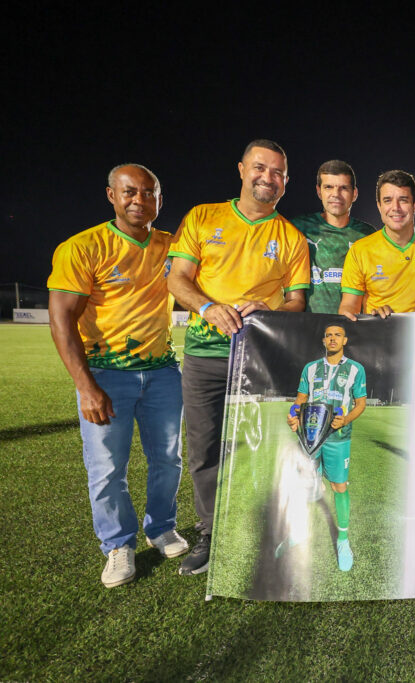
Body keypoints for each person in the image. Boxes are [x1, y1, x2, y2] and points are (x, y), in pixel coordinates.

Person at [167, 139, 311, 575]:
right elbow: (177, 279)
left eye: (278, 172)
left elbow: (297, 302)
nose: (268, 177)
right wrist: (208, 306)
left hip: (261, 358)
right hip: (204, 354)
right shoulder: (202, 217)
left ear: (286, 181)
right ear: (242, 169)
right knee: (205, 448)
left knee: (264, 447)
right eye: (260, 167)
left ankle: (262, 529)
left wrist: (271, 310)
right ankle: (212, 532)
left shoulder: (291, 237)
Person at [47, 164, 187, 588]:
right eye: (129, 192)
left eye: (149, 192)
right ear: (111, 195)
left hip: (163, 372)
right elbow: (61, 320)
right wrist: (86, 386)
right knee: (107, 468)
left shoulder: (172, 246)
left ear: (159, 199)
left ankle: (161, 528)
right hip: (106, 375)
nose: (139, 200)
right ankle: (118, 544)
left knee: (168, 459)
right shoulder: (82, 247)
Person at [285, 323, 367, 571]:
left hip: (338, 437)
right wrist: (293, 415)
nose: (333, 338)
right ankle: (299, 533)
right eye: (328, 335)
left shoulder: (356, 369)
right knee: (305, 483)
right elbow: (300, 400)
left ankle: (343, 540)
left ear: (345, 340)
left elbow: (360, 404)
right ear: (323, 341)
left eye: (337, 335)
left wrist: (346, 419)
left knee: (338, 486)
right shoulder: (310, 369)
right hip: (310, 435)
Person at [339, 170, 415, 317]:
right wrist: (371, 318)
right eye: (388, 200)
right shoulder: (359, 250)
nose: (395, 208)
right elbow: (348, 306)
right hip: (377, 331)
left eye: (403, 200)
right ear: (379, 206)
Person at [293, 160, 376, 314]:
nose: (336, 194)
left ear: (354, 193)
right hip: (309, 325)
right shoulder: (299, 228)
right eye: (328, 187)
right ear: (319, 191)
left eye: (343, 188)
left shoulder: (368, 234)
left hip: (353, 324)